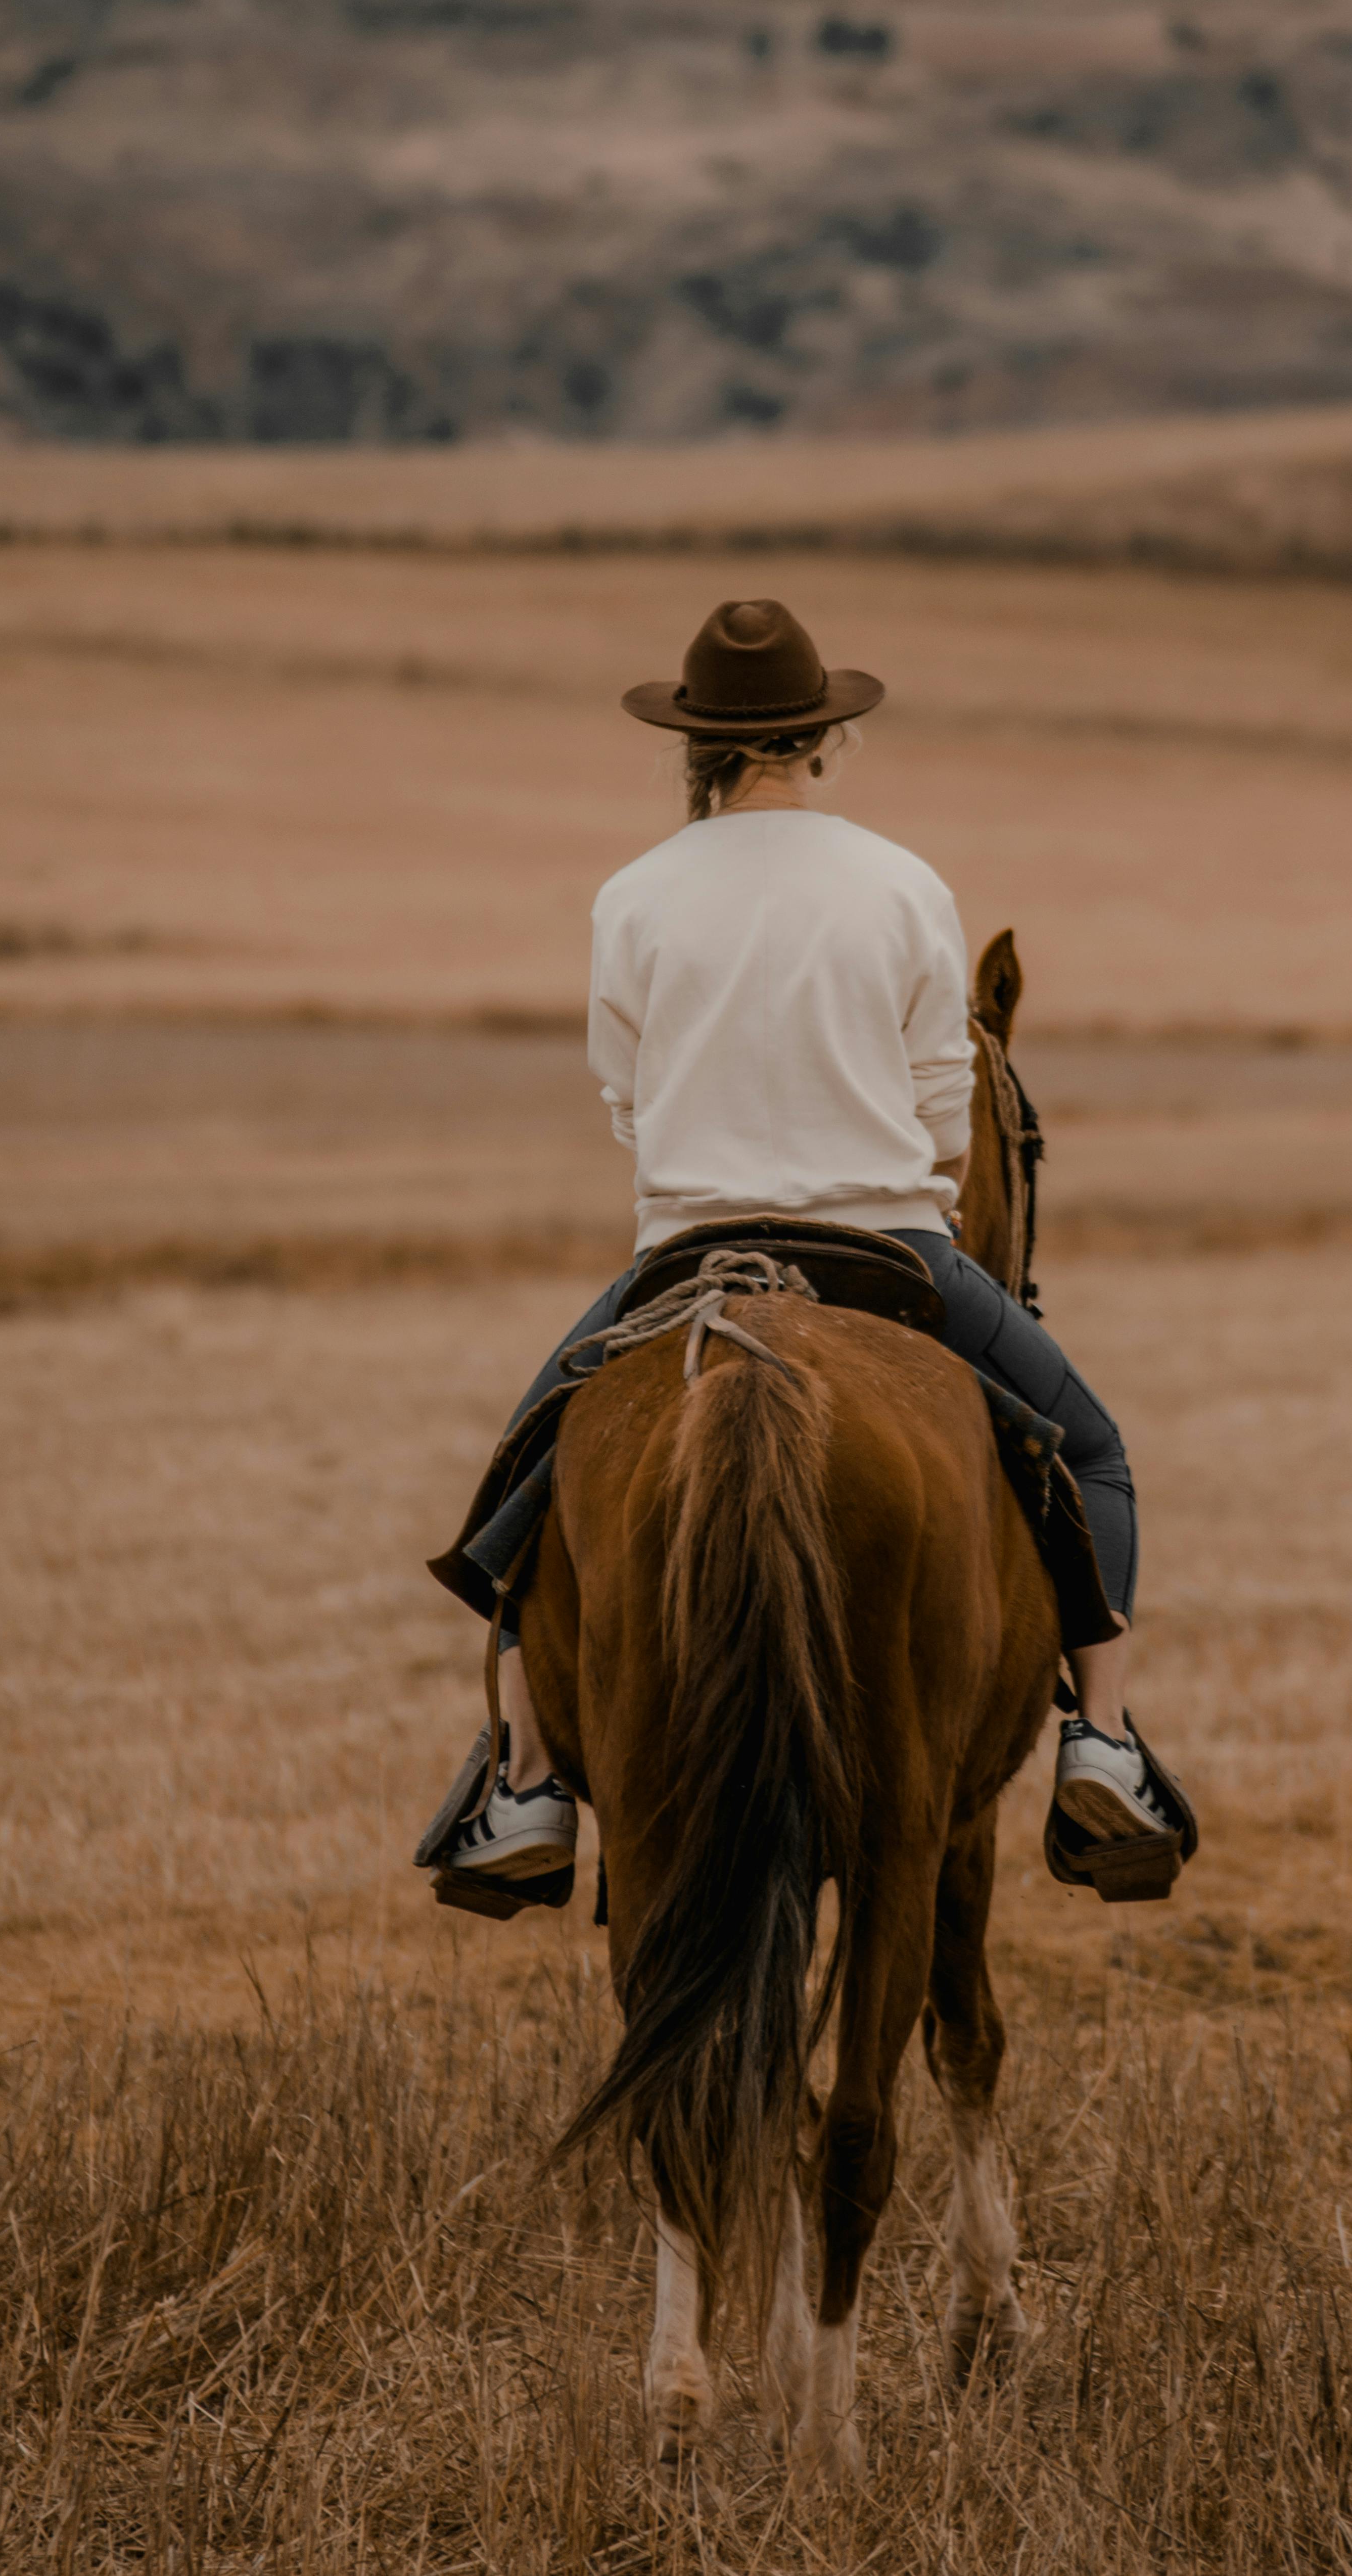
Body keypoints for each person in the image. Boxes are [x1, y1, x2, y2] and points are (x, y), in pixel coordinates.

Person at [436, 596, 1176, 1884]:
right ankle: (1102, 1746)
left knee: (521, 1488)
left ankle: (530, 1789)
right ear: (823, 738)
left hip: (686, 1253)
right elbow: (945, 1103)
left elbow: (625, 1091)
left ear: (694, 747)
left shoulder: (634, 894)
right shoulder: (902, 881)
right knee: (1094, 1453)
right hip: (886, 1245)